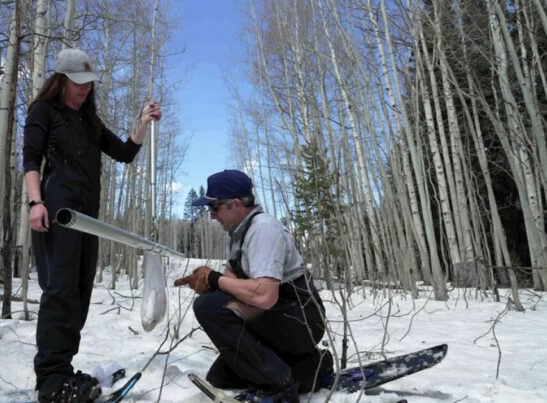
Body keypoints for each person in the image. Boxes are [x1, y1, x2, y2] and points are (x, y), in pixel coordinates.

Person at [23, 48, 161, 403]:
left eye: (89, 84)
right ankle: (51, 380)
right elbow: (31, 160)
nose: (85, 90)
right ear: (61, 80)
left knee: (81, 294)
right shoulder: (45, 111)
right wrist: (35, 202)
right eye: (78, 83)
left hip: (88, 221)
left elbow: (126, 152)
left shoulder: (89, 122)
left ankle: (64, 369)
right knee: (60, 292)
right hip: (57, 214)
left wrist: (143, 123)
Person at [174, 169, 332, 403]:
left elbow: (265, 295)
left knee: (207, 307)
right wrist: (208, 284)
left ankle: (280, 384)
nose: (213, 216)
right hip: (277, 317)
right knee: (221, 377)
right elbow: (231, 281)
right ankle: (311, 368)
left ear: (235, 204)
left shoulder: (263, 229)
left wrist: (215, 279)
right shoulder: (239, 234)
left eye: (214, 208)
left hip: (300, 320)